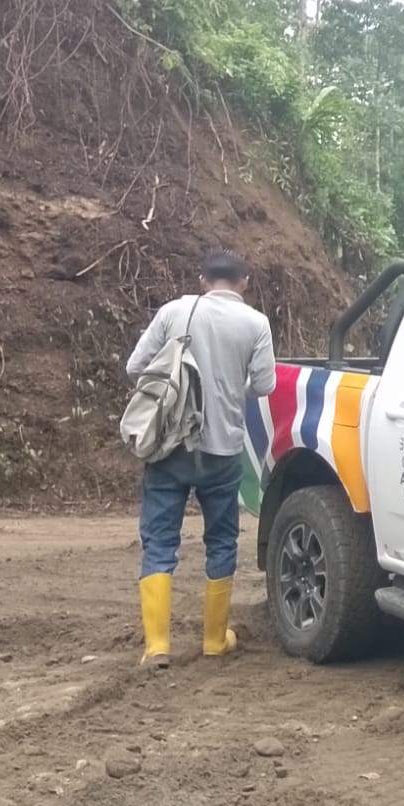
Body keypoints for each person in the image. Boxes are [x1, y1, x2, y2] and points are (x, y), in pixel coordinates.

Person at [126, 248, 276, 667]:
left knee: (160, 541)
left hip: (170, 447)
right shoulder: (256, 323)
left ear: (202, 281)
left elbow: (136, 367)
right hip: (222, 450)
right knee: (221, 540)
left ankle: (157, 646)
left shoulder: (174, 311)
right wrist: (229, 388)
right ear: (244, 282)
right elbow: (264, 384)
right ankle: (214, 639)